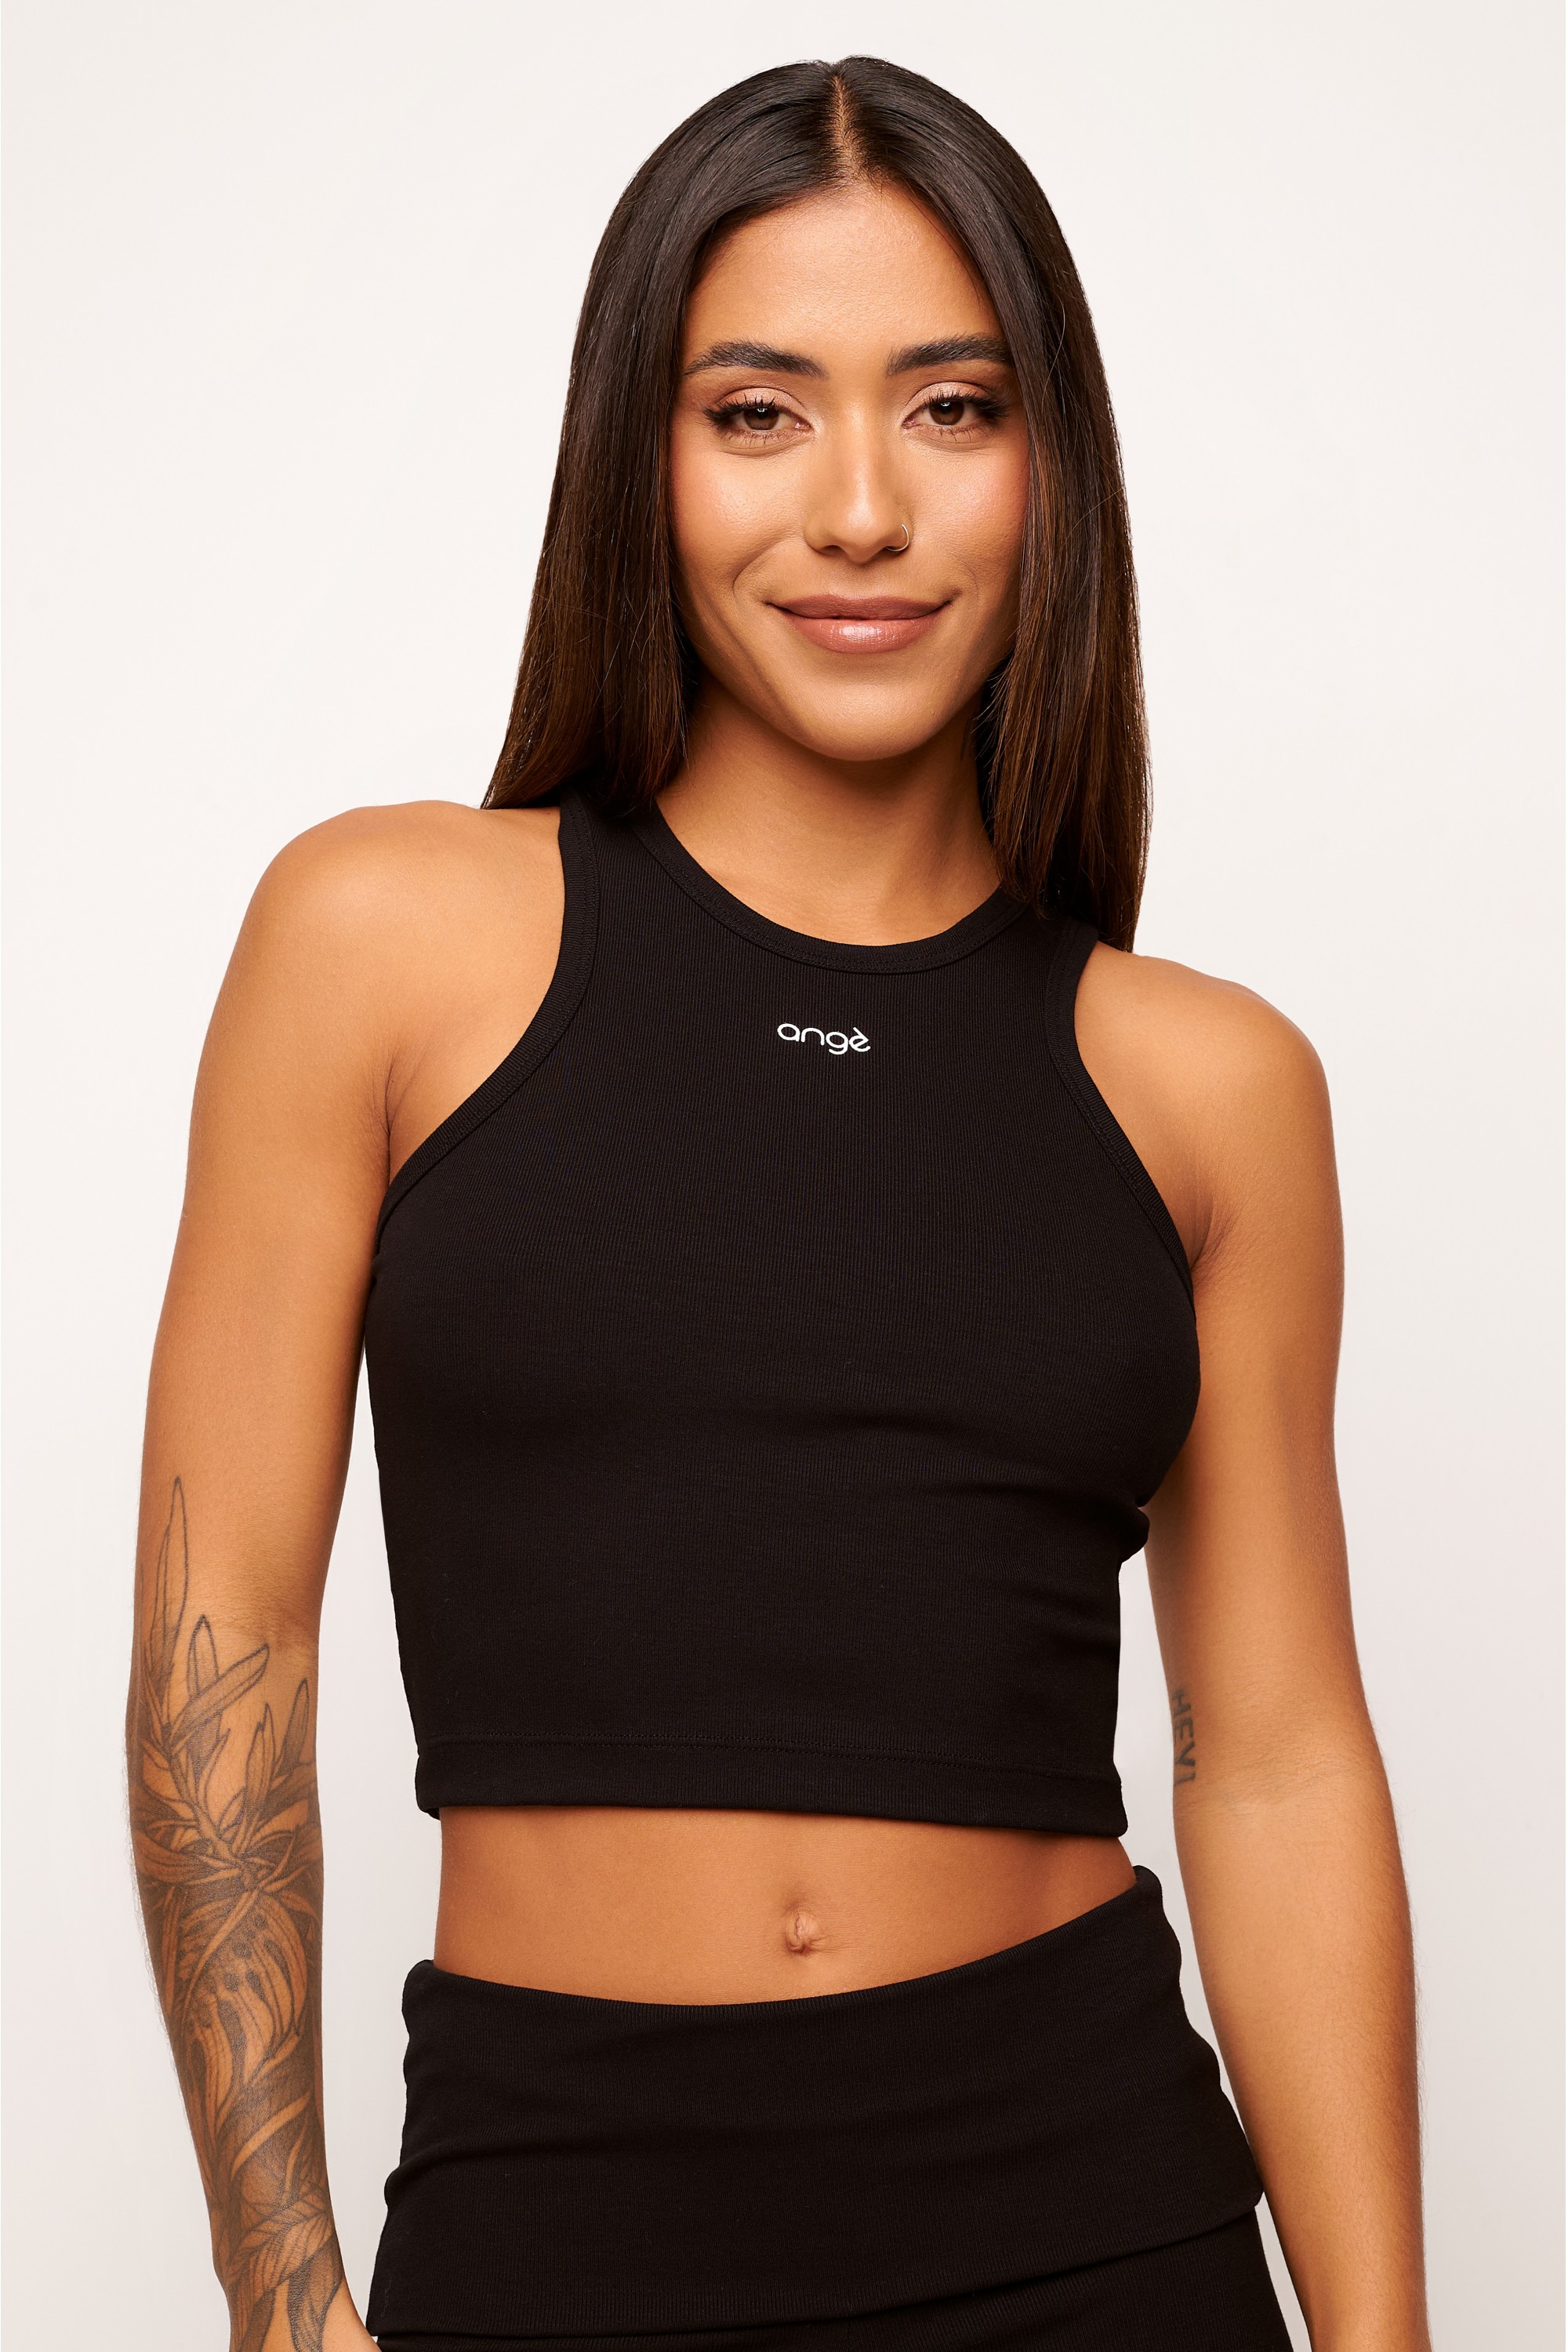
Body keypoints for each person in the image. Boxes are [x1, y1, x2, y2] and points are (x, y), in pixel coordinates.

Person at [127, 55, 1432, 2352]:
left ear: (1051, 466)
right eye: (757, 412)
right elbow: (224, 1637)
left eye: (952, 408)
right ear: (637, 460)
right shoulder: (383, 942)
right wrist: (278, 2284)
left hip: (1093, 2220)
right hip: (558, 2205)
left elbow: (1280, 1758)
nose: (860, 507)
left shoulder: (1210, 1085)